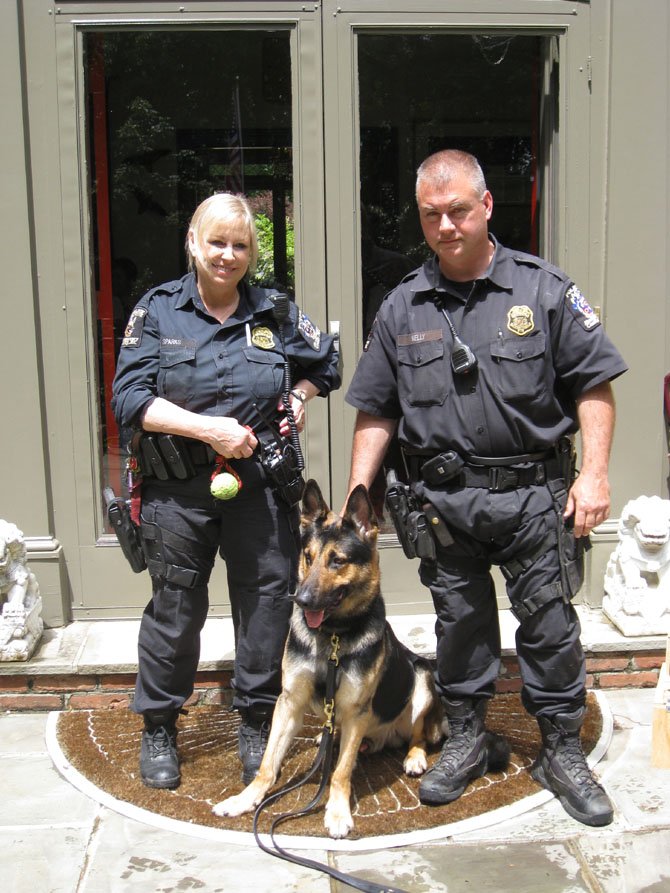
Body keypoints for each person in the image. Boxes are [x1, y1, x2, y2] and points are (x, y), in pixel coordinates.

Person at [345, 149, 627, 827]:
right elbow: (376, 407)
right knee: (461, 628)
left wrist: (593, 473)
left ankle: (561, 748)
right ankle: (466, 737)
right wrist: (360, 496)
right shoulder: (402, 305)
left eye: (458, 211)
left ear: (487, 206)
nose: (445, 226)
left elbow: (594, 383)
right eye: (431, 214)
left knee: (551, 628)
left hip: (534, 499)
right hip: (443, 506)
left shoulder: (543, 290)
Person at [111, 192, 341, 790]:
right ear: (193, 242)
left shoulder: (276, 311)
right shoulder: (158, 311)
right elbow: (128, 399)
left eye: (240, 245)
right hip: (178, 490)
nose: (228, 255)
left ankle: (255, 719)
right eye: (217, 242)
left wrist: (298, 396)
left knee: (265, 605)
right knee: (176, 609)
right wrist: (204, 427)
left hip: (260, 487)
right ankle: (160, 722)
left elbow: (327, 365)